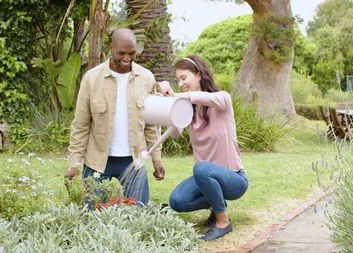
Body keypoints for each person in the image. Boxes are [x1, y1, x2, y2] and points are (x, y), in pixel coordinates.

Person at [65, 28, 165, 207]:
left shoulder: (147, 78)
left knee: (139, 213)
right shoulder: (92, 78)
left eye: (132, 53)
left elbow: (151, 125)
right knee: (92, 214)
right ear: (111, 48)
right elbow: (81, 125)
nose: (127, 58)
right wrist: (74, 162)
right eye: (122, 53)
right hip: (97, 161)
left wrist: (157, 160)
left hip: (134, 161)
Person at [156, 55, 249, 241]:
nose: (180, 83)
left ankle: (223, 222)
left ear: (198, 75)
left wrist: (177, 95)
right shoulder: (188, 110)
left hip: (234, 179)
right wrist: (167, 104)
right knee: (177, 201)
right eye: (178, 80)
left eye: (184, 78)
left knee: (201, 167)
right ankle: (217, 206)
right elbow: (175, 132)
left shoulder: (222, 100)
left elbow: (203, 97)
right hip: (205, 178)